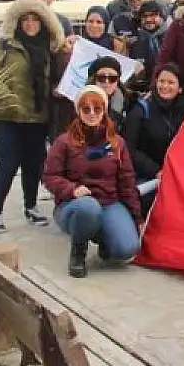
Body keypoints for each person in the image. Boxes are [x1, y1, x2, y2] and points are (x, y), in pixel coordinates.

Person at [42, 85, 142, 278]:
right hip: (75, 205)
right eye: (86, 109)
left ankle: (103, 236)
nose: (92, 113)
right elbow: (49, 177)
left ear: (104, 110)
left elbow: (127, 181)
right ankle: (78, 252)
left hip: (109, 202)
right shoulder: (64, 142)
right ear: (78, 111)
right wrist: (72, 189)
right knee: (88, 208)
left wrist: (136, 217)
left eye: (97, 109)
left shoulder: (117, 143)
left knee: (126, 249)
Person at [0, 0, 65, 233]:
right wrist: (6, 96)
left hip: (37, 117)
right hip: (8, 115)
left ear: (44, 23)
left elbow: (55, 77)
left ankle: (31, 206)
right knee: (8, 164)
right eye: (25, 20)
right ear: (17, 23)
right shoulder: (4, 46)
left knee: (34, 164)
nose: (30, 24)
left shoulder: (48, 49)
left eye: (35, 19)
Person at [123, 63, 184, 215]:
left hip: (176, 174)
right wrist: (156, 171)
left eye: (171, 82)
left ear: (180, 88)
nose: (165, 86)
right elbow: (129, 149)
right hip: (146, 177)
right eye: (161, 81)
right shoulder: (140, 110)